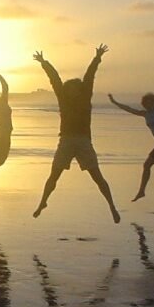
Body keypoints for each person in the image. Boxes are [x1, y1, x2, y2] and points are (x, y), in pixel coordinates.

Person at [33, 44, 120, 222]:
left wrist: (97, 58)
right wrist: (44, 62)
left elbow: (90, 76)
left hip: (83, 141)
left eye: (75, 88)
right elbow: (55, 79)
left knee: (97, 176)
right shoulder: (62, 97)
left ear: (79, 89)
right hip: (65, 141)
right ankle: (43, 202)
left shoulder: (85, 95)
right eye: (69, 88)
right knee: (54, 175)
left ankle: (111, 205)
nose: (72, 91)